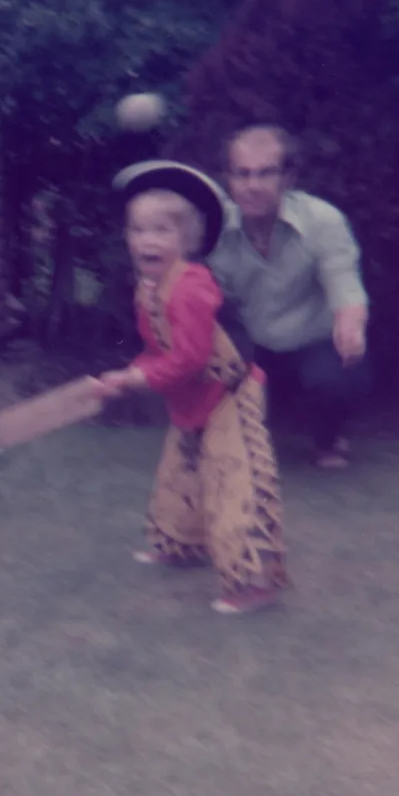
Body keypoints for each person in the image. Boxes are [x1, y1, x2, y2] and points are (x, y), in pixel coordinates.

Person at [91, 161, 288, 615]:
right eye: (138, 230)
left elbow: (190, 357)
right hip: (192, 398)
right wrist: (127, 374)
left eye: (161, 230)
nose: (147, 240)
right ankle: (182, 544)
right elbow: (157, 348)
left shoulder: (192, 287)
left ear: (187, 240)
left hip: (231, 396)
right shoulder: (147, 288)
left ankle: (255, 582)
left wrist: (140, 379)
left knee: (234, 480)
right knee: (180, 472)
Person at [208, 125, 370, 469]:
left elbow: (346, 287)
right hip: (254, 347)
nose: (253, 185)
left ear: (289, 178)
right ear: (228, 178)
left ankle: (328, 438)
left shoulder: (323, 220)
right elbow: (208, 302)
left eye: (265, 173)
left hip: (314, 345)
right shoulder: (215, 229)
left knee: (338, 379)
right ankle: (238, 431)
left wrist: (350, 325)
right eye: (242, 174)